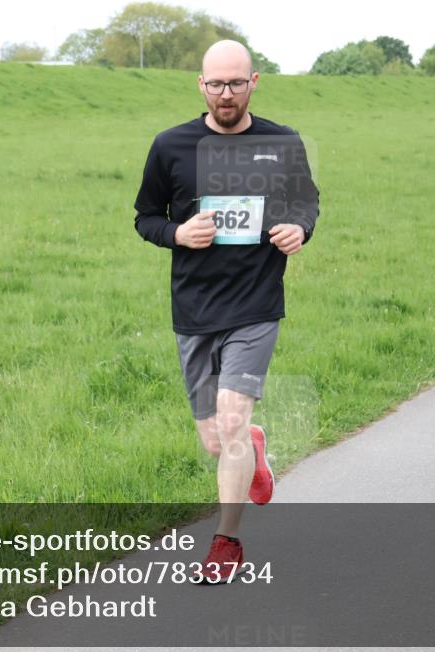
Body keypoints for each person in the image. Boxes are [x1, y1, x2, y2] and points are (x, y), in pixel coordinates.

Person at [134, 40, 319, 582]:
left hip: (256, 304)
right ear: (200, 85)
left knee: (232, 420)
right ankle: (253, 451)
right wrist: (176, 232)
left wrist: (298, 228)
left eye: (236, 83)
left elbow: (306, 200)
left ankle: (226, 542)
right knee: (217, 440)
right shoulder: (171, 146)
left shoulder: (282, 142)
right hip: (194, 308)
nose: (226, 94)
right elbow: (145, 216)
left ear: (254, 82)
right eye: (216, 84)